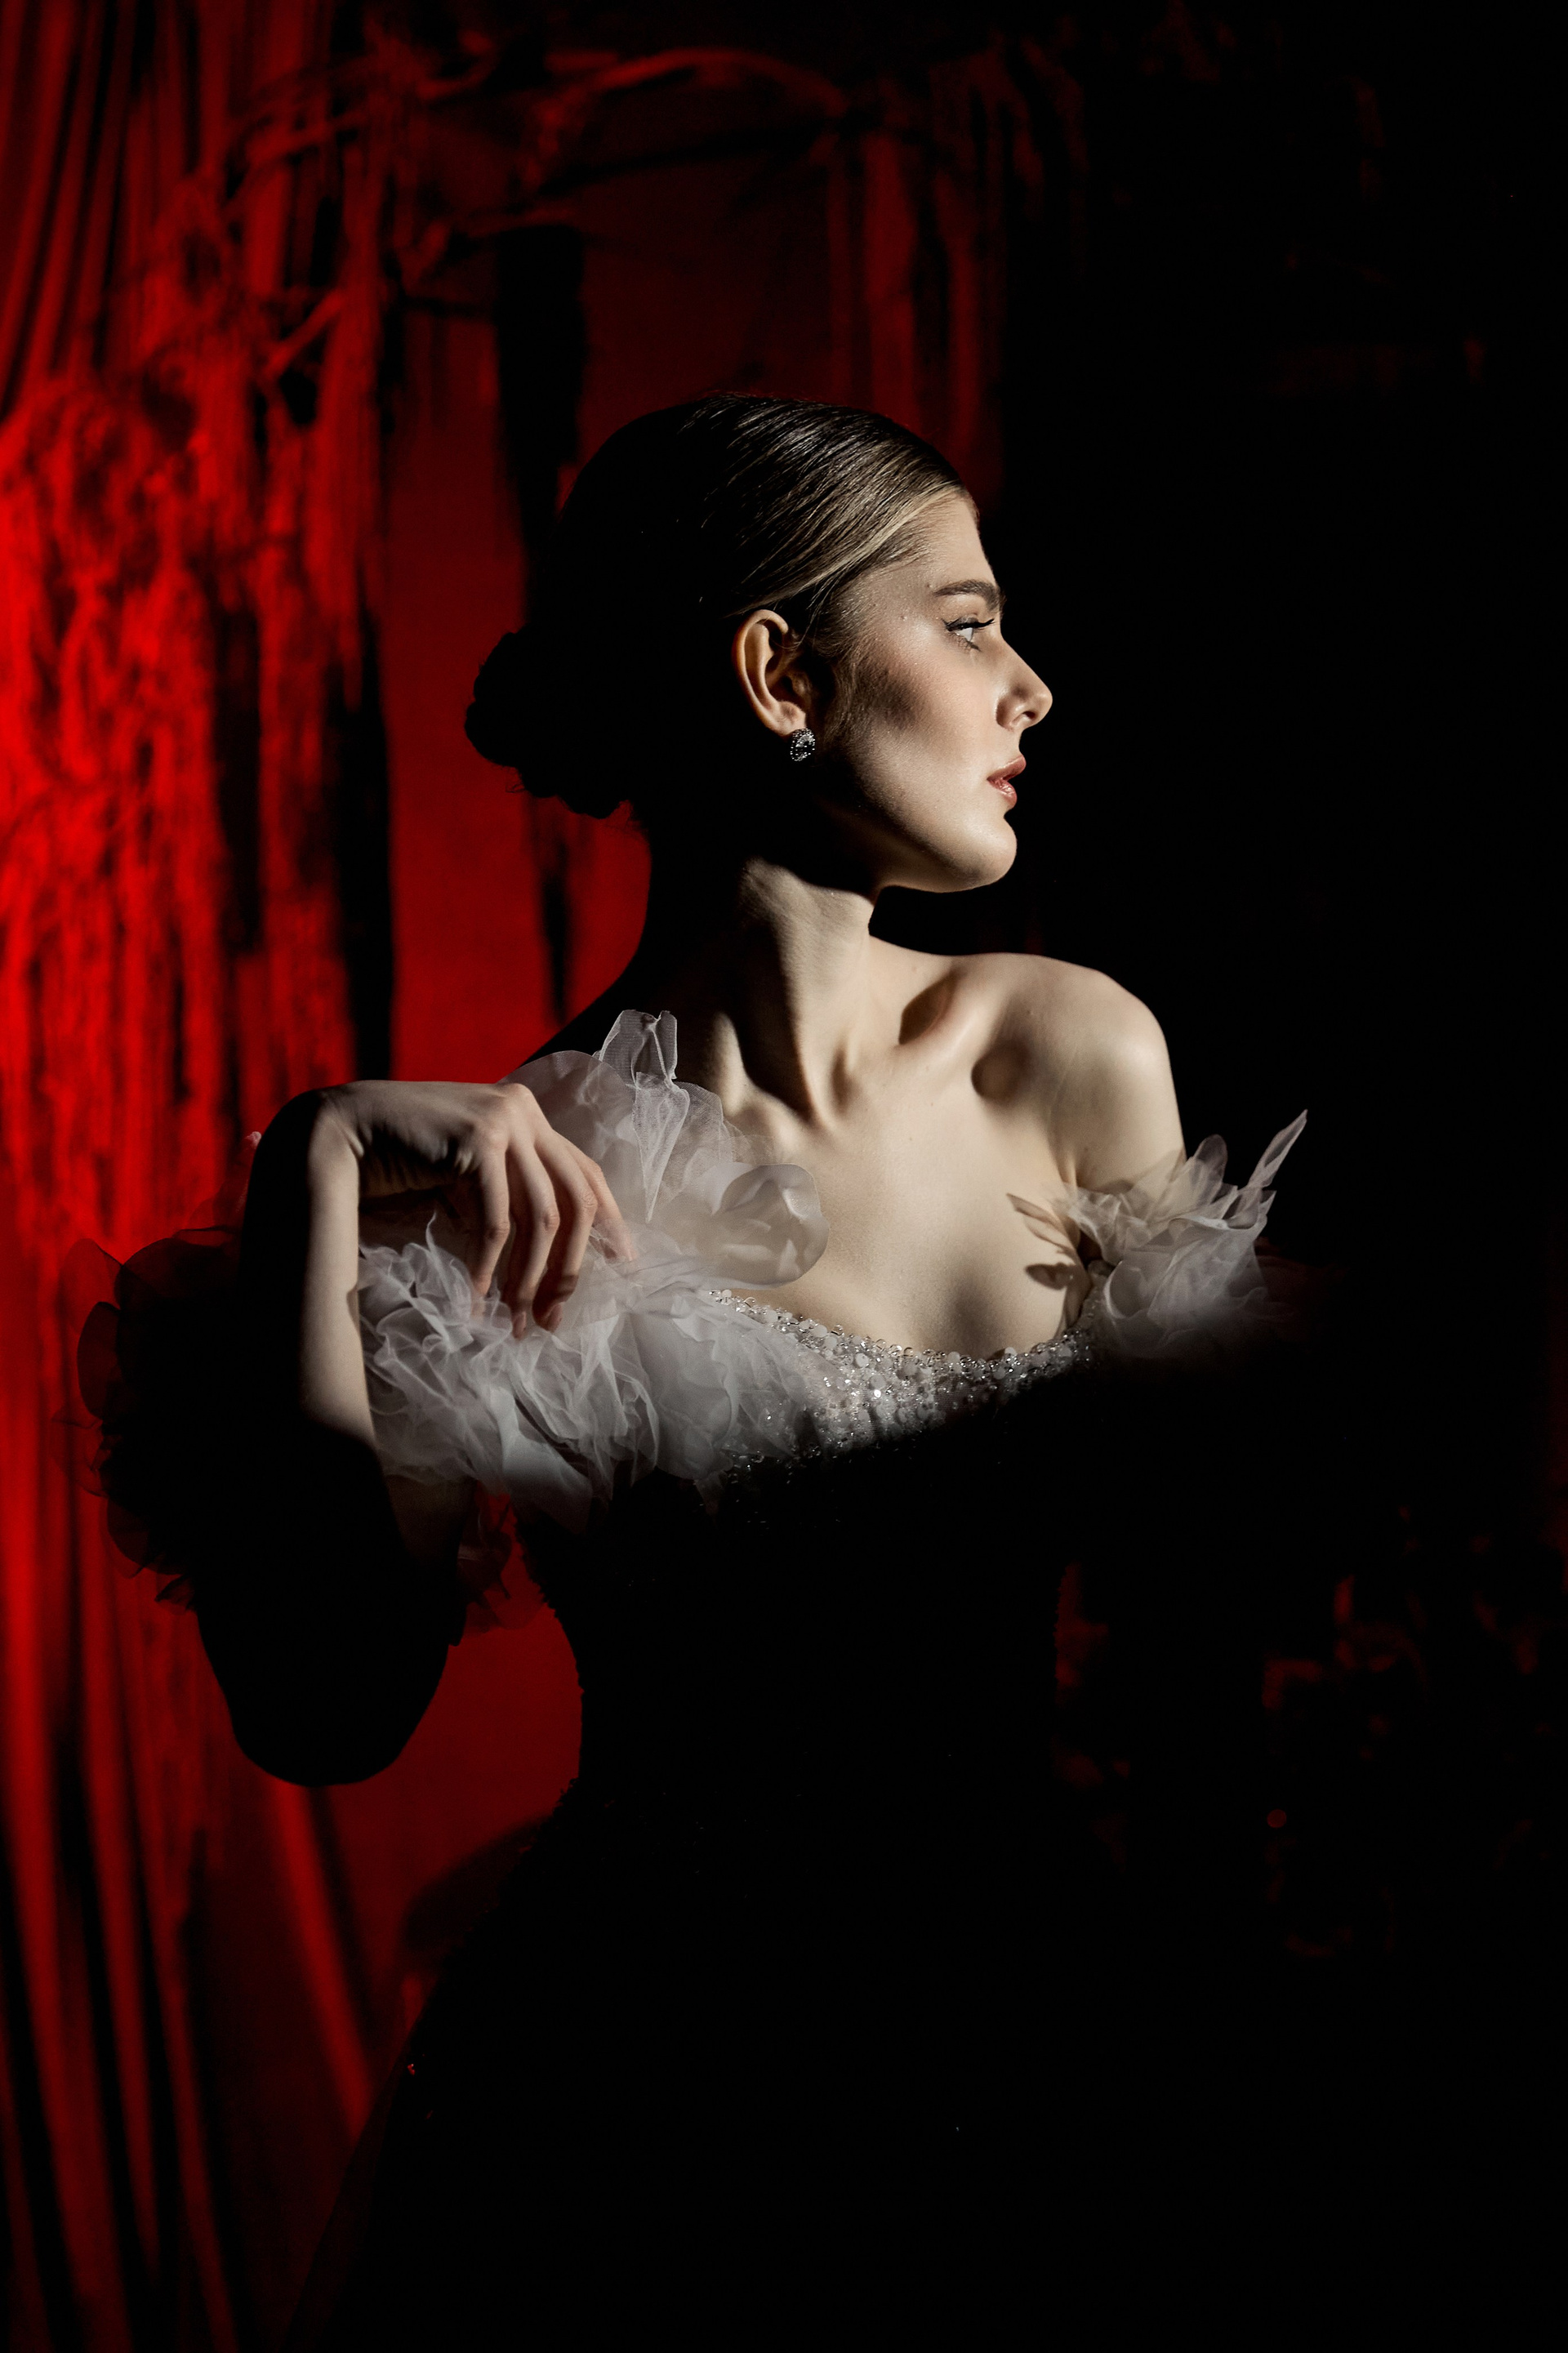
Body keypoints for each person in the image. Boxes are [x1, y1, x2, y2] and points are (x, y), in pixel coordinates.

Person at [98, 396, 1302, 2343]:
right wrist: (313, 1161)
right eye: (970, 622)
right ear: (780, 674)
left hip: (1034, 2054)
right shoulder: (512, 1181)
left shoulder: (1070, 1057)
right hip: (643, 2098)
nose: (1034, 687)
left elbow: (1211, 1643)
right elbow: (322, 1709)